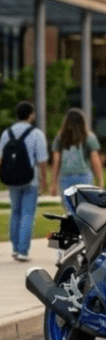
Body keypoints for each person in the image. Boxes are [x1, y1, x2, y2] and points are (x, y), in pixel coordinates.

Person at [1, 101, 49, 262]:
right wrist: (44, 180)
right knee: (27, 213)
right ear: (30, 114)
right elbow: (42, 160)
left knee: (15, 211)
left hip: (11, 179)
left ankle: (15, 248)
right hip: (31, 179)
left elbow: (1, 158)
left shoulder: (6, 133)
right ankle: (23, 251)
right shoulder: (36, 133)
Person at [50, 108, 104, 210]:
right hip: (84, 177)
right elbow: (95, 160)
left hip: (66, 177)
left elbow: (56, 162)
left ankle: (71, 225)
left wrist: (53, 183)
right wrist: (100, 180)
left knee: (70, 209)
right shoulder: (89, 137)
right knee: (84, 209)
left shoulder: (60, 138)